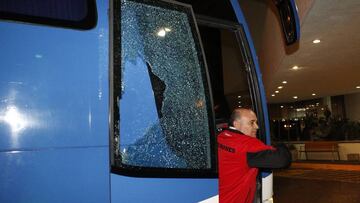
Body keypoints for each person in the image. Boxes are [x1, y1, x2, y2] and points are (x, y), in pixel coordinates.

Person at [217, 108, 291, 203]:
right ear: (236, 124)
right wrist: (279, 144)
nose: (257, 126)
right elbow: (283, 160)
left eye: (256, 122)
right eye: (251, 123)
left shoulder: (221, 137)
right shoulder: (247, 144)